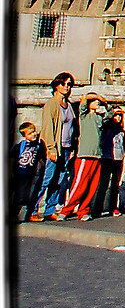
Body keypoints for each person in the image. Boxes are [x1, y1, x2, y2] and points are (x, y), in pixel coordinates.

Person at [33, 74, 76, 220]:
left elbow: (73, 127)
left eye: (69, 84)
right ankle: (32, 209)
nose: (66, 86)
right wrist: (51, 148)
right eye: (63, 83)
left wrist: (72, 148)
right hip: (55, 148)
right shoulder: (51, 104)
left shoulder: (69, 105)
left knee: (59, 179)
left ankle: (49, 209)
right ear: (56, 86)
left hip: (66, 147)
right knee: (47, 178)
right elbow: (47, 128)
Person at [61, 97, 107, 221]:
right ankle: (66, 210)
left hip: (96, 155)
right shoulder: (84, 116)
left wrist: (105, 103)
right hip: (85, 155)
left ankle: (84, 210)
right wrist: (92, 97)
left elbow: (110, 114)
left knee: (92, 186)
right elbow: (83, 104)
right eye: (95, 101)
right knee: (80, 184)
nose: (97, 103)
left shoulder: (99, 118)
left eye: (98, 102)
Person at [91, 106, 125, 217]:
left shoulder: (121, 130)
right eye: (116, 115)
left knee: (115, 184)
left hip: (118, 159)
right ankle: (97, 208)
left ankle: (113, 207)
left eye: (120, 116)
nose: (118, 118)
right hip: (107, 157)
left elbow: (124, 143)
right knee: (103, 184)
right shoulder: (107, 128)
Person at [14, 120, 46, 222]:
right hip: (20, 173)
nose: (33, 134)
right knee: (20, 196)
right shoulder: (21, 145)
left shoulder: (38, 145)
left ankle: (27, 215)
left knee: (29, 195)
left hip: (31, 173)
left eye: (34, 132)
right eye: (30, 133)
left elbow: (41, 157)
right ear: (25, 135)